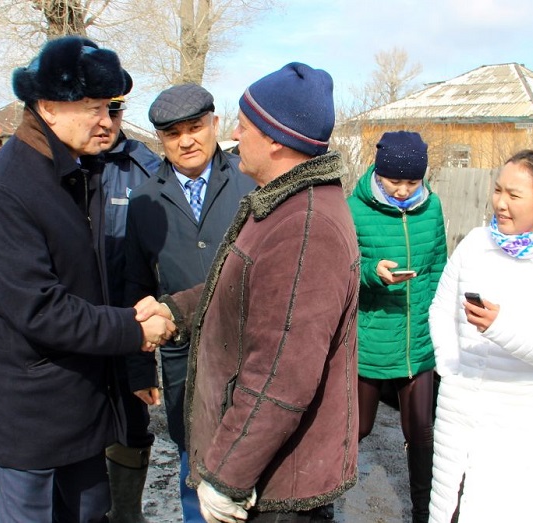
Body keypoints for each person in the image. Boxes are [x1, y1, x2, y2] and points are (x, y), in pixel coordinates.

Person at [0, 36, 175, 522]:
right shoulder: (8, 188)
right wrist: (132, 329)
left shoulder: (78, 173)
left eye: (111, 106)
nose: (107, 120)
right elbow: (41, 309)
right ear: (47, 107)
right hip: (29, 418)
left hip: (78, 408)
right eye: (92, 107)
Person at [149, 62, 361, 522]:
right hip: (266, 474)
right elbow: (245, 286)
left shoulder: (306, 227)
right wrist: (176, 310)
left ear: (275, 138)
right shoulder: (285, 203)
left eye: (243, 128)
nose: (235, 139)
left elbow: (282, 375)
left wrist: (227, 478)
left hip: (279, 487)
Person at [427, 150, 533, 522]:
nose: (500, 203)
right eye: (498, 190)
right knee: (451, 508)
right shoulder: (475, 244)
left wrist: (500, 325)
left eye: (514, 195)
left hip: (526, 429)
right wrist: (449, 367)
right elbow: (440, 308)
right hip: (461, 413)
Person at [122, 83, 256, 523]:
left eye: (196, 127)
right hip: (185, 356)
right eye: (172, 133)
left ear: (215, 124)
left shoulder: (250, 182)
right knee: (194, 464)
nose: (186, 141)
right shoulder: (144, 199)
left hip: (248, 349)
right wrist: (140, 365)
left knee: (253, 455)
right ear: (159, 139)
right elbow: (136, 284)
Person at [347, 131, 447, 523]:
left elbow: (439, 266)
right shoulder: (353, 210)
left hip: (419, 341)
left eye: (412, 182)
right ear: (378, 172)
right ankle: (316, 497)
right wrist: (373, 274)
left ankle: (426, 513)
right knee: (359, 428)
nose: (404, 190)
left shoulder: (433, 208)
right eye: (394, 181)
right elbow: (339, 273)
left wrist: (442, 323)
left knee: (421, 433)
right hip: (372, 339)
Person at [99, 93, 162, 522]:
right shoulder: (56, 165)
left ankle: (126, 513)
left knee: (131, 418)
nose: (105, 119)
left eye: (114, 110)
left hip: (130, 317)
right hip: (72, 315)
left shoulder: (145, 166)